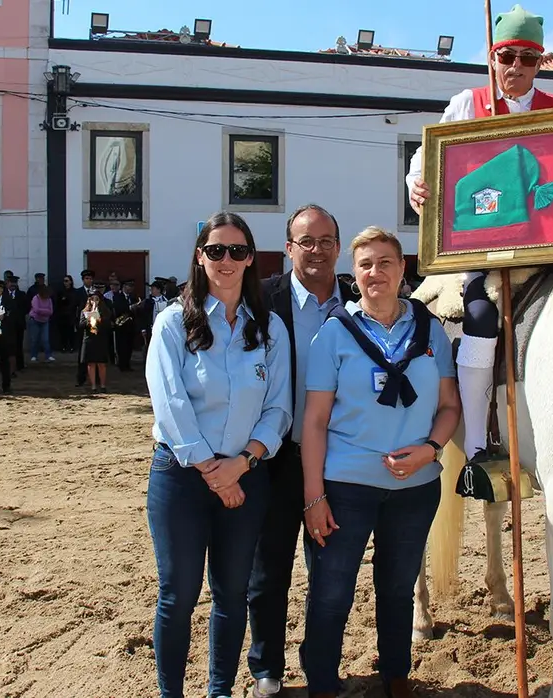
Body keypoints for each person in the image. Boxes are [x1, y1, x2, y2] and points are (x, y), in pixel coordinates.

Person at [404, 4, 553, 475]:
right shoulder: (467, 104)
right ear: (494, 57)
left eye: (527, 58)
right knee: (481, 314)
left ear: (540, 62)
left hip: (543, 250)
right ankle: (478, 442)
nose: (516, 67)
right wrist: (416, 184)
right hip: (480, 250)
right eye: (507, 57)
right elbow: (426, 159)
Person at [299, 227, 460, 698]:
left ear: (402, 268)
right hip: (346, 487)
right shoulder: (334, 335)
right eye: (366, 264)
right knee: (332, 592)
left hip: (416, 488)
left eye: (385, 262)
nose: (376, 273)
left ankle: (395, 673)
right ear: (355, 273)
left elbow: (450, 406)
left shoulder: (431, 331)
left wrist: (431, 449)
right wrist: (314, 497)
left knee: (397, 587)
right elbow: (314, 421)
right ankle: (323, 682)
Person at [144, 211, 291, 698]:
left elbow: (278, 410)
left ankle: (220, 691)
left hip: (245, 476)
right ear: (199, 257)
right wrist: (213, 471)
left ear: (251, 258)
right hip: (182, 478)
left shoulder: (268, 330)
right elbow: (169, 404)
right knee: (178, 595)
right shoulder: (171, 322)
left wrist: (241, 465)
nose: (226, 260)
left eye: (237, 251)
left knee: (231, 595)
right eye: (215, 250)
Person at [246, 204, 356, 698]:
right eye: (305, 241)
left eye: (326, 240)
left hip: (340, 463)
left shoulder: (358, 299)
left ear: (339, 245)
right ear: (288, 248)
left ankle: (321, 670)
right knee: (268, 572)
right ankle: (267, 669)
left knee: (330, 576)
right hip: (274, 460)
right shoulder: (260, 299)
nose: (316, 250)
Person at [79, 284, 112, 392]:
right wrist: (89, 319)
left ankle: (102, 385)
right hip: (89, 339)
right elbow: (80, 325)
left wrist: (99, 319)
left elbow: (108, 325)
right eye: (92, 299)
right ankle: (93, 386)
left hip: (100, 339)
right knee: (91, 363)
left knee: (101, 363)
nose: (94, 301)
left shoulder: (105, 311)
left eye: (96, 299)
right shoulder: (84, 311)